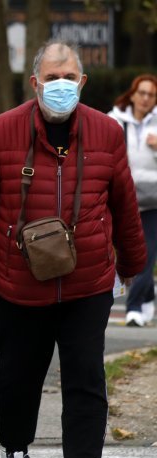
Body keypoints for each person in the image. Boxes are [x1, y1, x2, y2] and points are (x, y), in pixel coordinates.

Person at [0, 41, 146, 458]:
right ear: (34, 83)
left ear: (83, 82)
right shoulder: (2, 132)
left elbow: (125, 205)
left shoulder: (106, 133)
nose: (60, 86)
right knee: (18, 377)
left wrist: (135, 268)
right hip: (20, 282)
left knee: (85, 377)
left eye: (68, 78)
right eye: (51, 78)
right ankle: (15, 455)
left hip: (88, 281)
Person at [108, 75, 157, 327]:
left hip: (152, 203)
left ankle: (134, 307)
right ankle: (147, 293)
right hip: (121, 201)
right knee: (124, 253)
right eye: (142, 93)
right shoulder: (114, 120)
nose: (146, 99)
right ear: (133, 94)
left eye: (151, 95)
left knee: (146, 253)